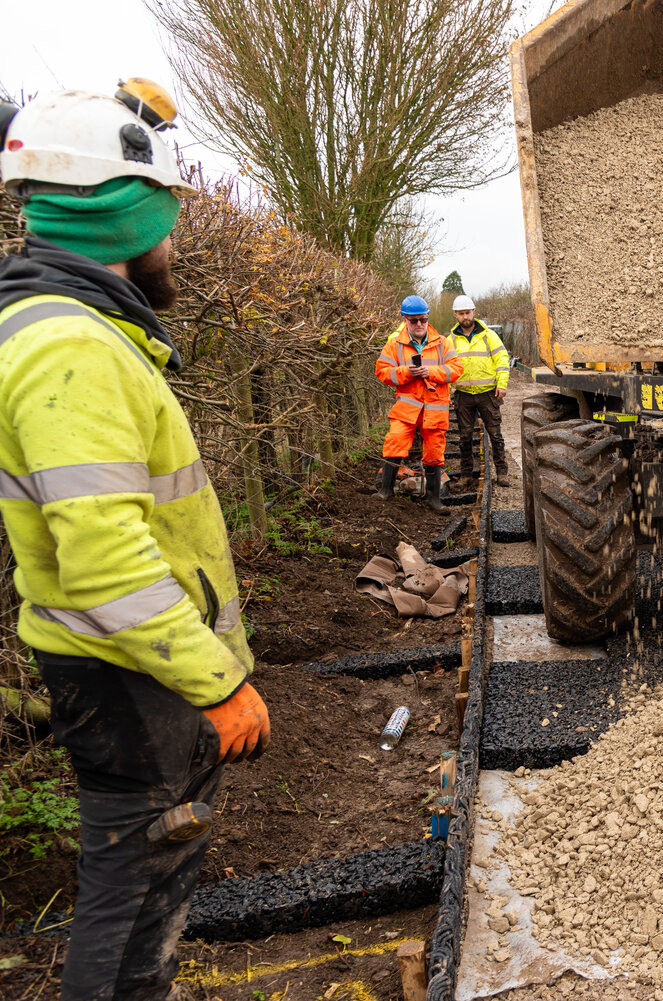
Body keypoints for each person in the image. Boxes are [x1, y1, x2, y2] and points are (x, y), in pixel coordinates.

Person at [0, 81, 269, 1001]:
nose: (174, 241)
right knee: (130, 890)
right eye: (167, 215)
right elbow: (106, 561)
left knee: (151, 880)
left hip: (127, 664)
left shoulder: (65, 330)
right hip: (126, 672)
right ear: (124, 211)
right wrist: (218, 683)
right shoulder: (71, 348)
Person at [376, 295, 464, 511]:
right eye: (414, 320)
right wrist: (406, 372)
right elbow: (382, 371)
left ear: (427, 318)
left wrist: (430, 371)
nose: (419, 324)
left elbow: (457, 369)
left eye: (423, 320)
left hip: (434, 409)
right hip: (407, 408)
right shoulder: (395, 344)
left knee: (434, 453)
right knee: (394, 442)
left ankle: (434, 500)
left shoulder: (442, 343)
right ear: (405, 320)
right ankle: (385, 492)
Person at [447, 294, 512, 481]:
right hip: (463, 395)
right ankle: (466, 475)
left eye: (467, 312)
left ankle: (502, 473)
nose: (465, 317)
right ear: (455, 315)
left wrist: (502, 385)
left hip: (488, 394)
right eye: (461, 313)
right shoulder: (450, 340)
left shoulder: (489, 336)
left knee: (495, 434)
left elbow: (502, 360)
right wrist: (447, 391)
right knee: (465, 437)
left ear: (474, 312)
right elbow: (446, 367)